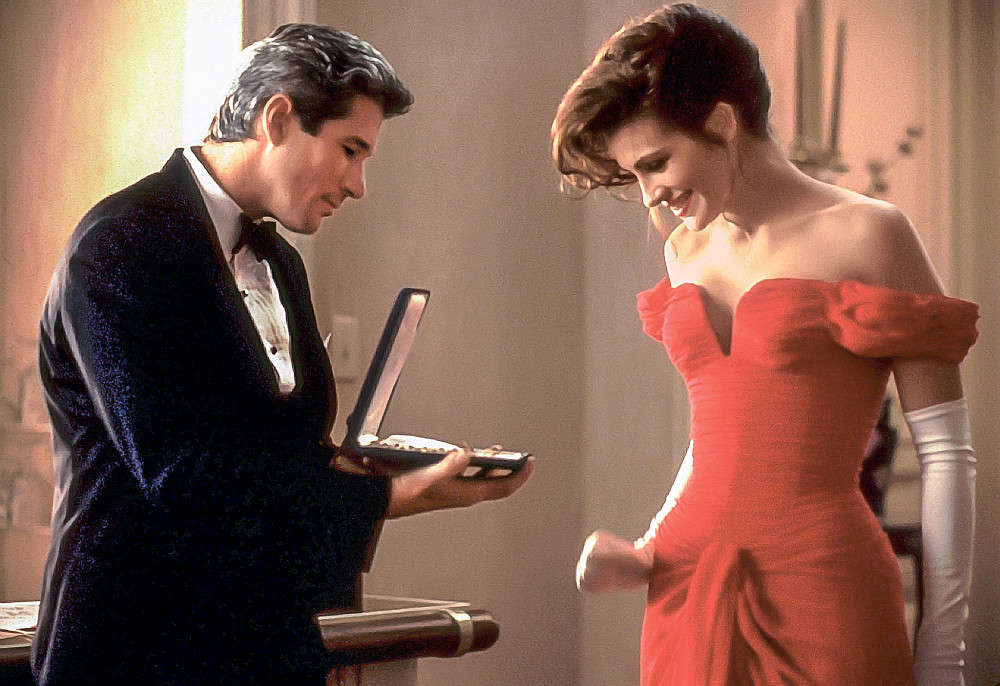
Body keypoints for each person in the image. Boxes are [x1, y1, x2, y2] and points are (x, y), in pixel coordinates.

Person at [33, 24, 533, 685]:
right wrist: (388, 497)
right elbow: (184, 479)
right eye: (350, 150)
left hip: (263, 646)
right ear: (276, 119)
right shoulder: (121, 243)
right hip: (137, 652)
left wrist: (359, 465)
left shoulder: (279, 261)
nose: (358, 185)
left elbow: (278, 451)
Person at [551, 4, 976, 686]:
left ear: (722, 123)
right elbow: (720, 432)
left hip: (823, 588)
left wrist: (943, 652)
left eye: (657, 163)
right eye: (634, 176)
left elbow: (947, 455)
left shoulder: (870, 234)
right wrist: (647, 546)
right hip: (685, 585)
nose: (651, 196)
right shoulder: (684, 250)